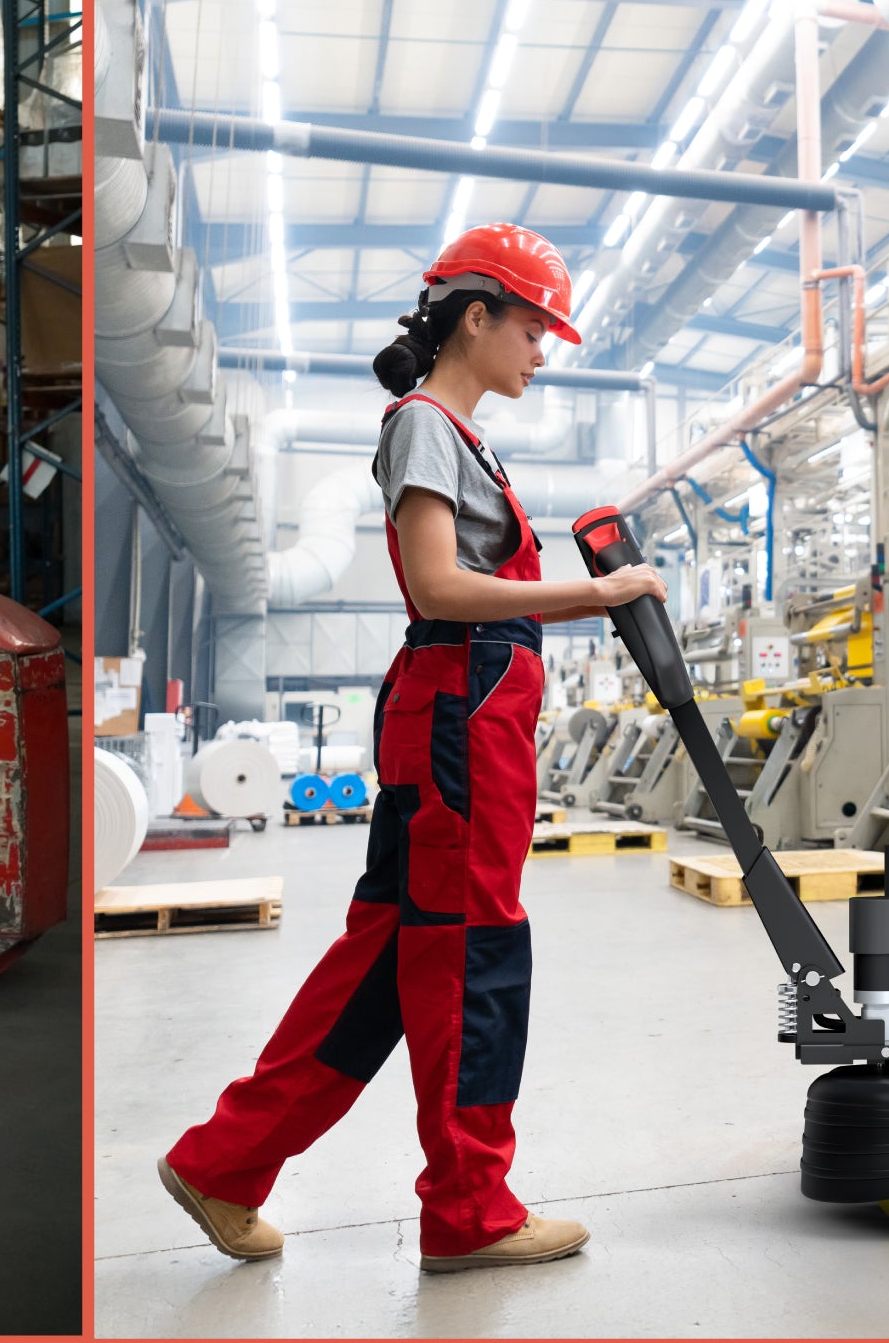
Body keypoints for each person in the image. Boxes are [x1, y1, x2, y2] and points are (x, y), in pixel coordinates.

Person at [157, 225, 669, 1279]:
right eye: (532, 327)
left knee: (390, 960)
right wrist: (598, 592)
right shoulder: (431, 425)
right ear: (475, 316)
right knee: (471, 953)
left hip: (459, 715)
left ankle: (225, 1163)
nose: (542, 350)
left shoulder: (457, 433)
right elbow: (438, 587)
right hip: (460, 720)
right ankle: (471, 1209)